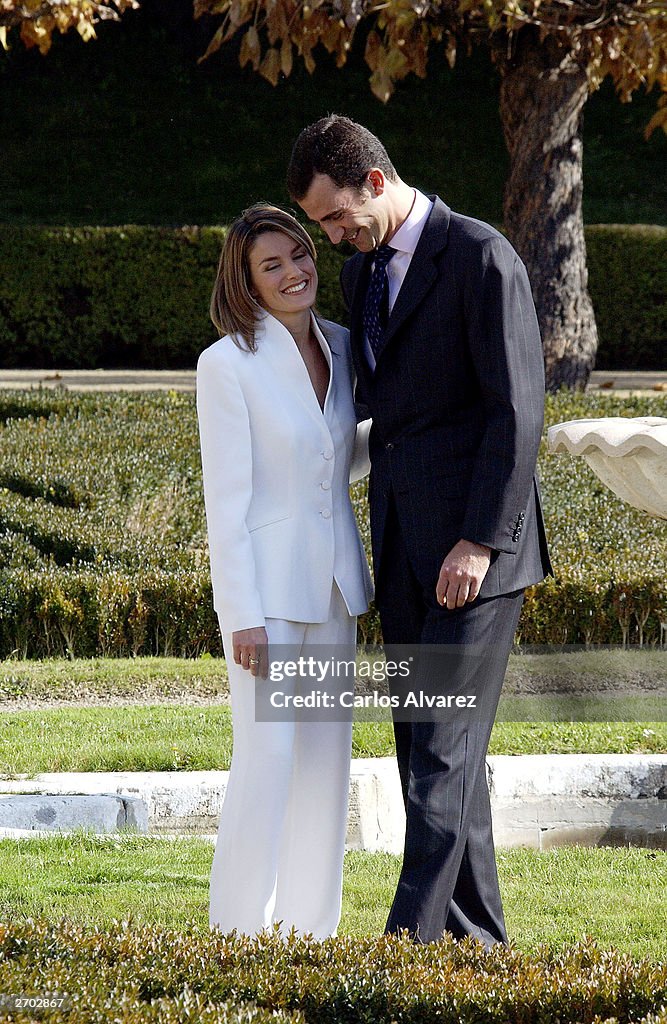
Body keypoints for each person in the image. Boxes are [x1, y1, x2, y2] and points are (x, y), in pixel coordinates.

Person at [287, 115, 553, 946]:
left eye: (334, 217)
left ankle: (403, 952)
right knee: (430, 755)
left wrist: (479, 541)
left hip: (475, 558)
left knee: (439, 752)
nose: (331, 238)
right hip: (402, 549)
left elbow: (518, 413)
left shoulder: (480, 256)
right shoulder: (365, 274)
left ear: (373, 180)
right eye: (320, 224)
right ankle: (478, 948)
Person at [196, 203, 373, 939]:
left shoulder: (339, 343)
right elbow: (226, 503)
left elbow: (335, 460)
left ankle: (310, 934)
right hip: (265, 599)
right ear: (246, 283)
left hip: (333, 588)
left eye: (298, 255)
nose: (294, 272)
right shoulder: (225, 363)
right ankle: (236, 934)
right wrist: (239, 615)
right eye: (272, 266)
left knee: (326, 771)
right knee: (267, 759)